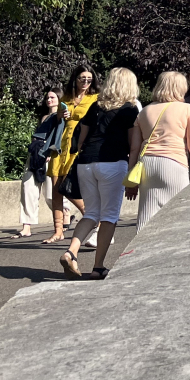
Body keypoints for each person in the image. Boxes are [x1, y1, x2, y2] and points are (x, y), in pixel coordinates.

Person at [60, 67, 141, 280]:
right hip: (113, 163)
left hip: (86, 163)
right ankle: (98, 267)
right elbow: (133, 146)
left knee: (91, 213)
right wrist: (132, 173)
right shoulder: (130, 110)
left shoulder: (95, 106)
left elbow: (82, 137)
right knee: (109, 216)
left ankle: (71, 252)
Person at [126, 70, 190, 231]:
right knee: (178, 215)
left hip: (146, 164)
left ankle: (138, 253)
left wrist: (130, 181)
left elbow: (134, 148)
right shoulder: (187, 109)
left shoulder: (144, 111)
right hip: (173, 162)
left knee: (146, 218)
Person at [43, 64, 97, 244]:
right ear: (75, 79)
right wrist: (61, 114)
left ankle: (94, 220)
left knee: (69, 189)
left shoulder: (95, 98)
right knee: (56, 189)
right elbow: (57, 119)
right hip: (61, 144)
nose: (86, 82)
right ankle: (58, 231)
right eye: (83, 78)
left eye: (89, 79)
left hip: (78, 144)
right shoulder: (66, 97)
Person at [15, 86, 64, 238]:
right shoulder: (43, 117)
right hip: (36, 154)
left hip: (50, 156)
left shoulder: (61, 116)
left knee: (51, 194)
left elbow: (60, 136)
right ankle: (27, 227)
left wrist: (51, 152)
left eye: (52, 97)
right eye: (47, 98)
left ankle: (64, 220)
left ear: (59, 99)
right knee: (28, 189)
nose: (49, 100)